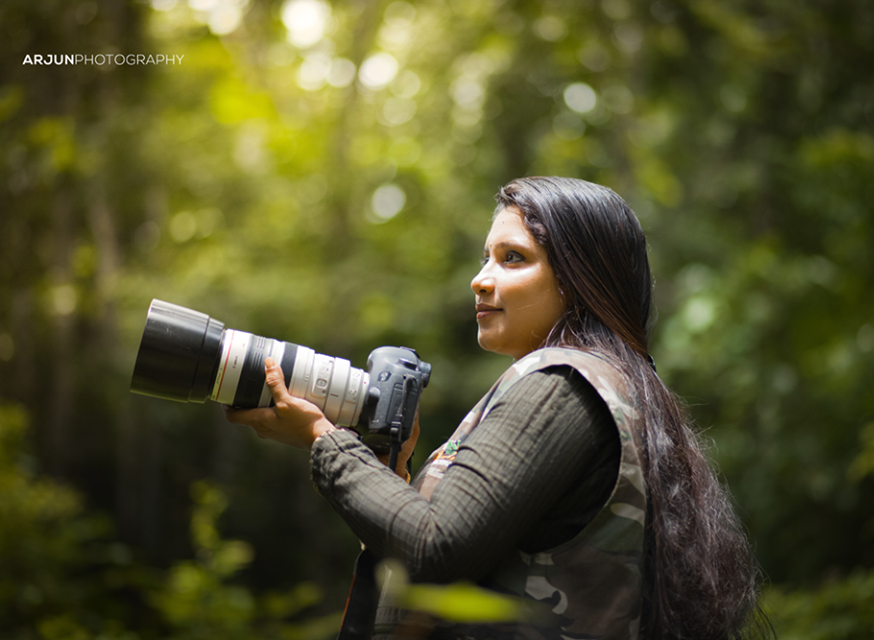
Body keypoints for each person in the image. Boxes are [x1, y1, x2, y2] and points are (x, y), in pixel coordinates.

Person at [225, 176, 771, 640]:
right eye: (486, 256)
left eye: (514, 258)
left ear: (581, 280)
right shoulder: (612, 382)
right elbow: (460, 557)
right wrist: (392, 468)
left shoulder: (564, 383)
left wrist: (324, 439)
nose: (481, 279)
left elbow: (434, 546)